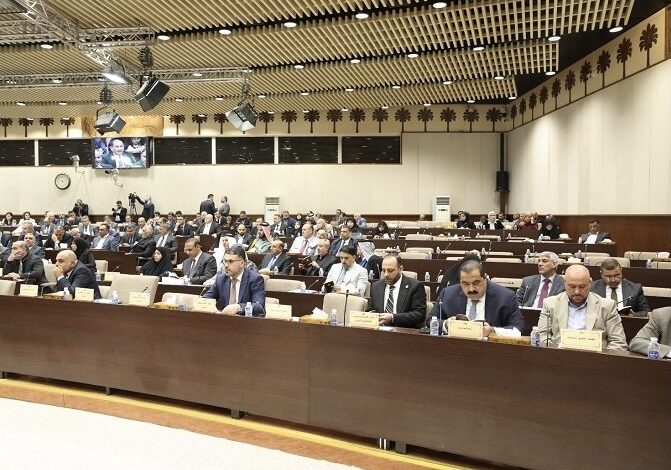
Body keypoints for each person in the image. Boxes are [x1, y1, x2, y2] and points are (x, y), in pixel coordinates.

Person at [537, 264, 627, 350]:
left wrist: (600, 358)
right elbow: (543, 336)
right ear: (565, 283)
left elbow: (618, 342)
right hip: (559, 356)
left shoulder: (607, 306)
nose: (577, 292)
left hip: (596, 357)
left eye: (582, 287)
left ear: (590, 283)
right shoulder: (550, 304)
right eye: (572, 286)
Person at [428, 260, 525, 335]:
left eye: (476, 282)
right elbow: (430, 321)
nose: (471, 289)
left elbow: (519, 329)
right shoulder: (448, 294)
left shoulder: (505, 297)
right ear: (460, 281)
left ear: (485, 279)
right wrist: (446, 324)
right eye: (465, 283)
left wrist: (492, 331)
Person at [202, 245, 265, 315]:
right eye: (225, 261)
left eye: (230, 261)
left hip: (244, 320)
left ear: (242, 263)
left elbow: (259, 307)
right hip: (224, 319)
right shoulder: (221, 279)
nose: (226, 265)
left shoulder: (255, 279)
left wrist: (239, 307)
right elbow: (206, 299)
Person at [367, 255, 427, 328]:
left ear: (400, 269)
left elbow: (419, 315)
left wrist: (393, 318)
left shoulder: (415, 286)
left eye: (390, 271)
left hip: (403, 330)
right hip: (379, 330)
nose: (386, 274)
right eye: (383, 270)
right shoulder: (376, 286)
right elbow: (371, 310)